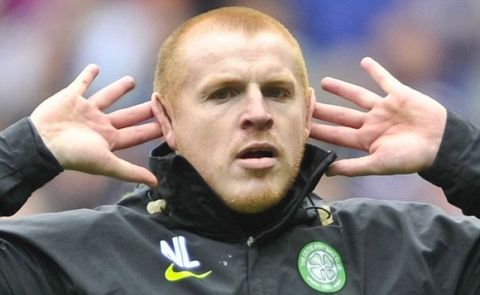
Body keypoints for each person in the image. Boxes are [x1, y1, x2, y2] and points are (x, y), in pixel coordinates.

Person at [0, 6, 479, 294]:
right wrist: (26, 151)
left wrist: (459, 153)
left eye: (277, 92)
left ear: (308, 115)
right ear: (167, 121)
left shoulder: (404, 251)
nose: (257, 112)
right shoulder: (80, 255)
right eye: (222, 93)